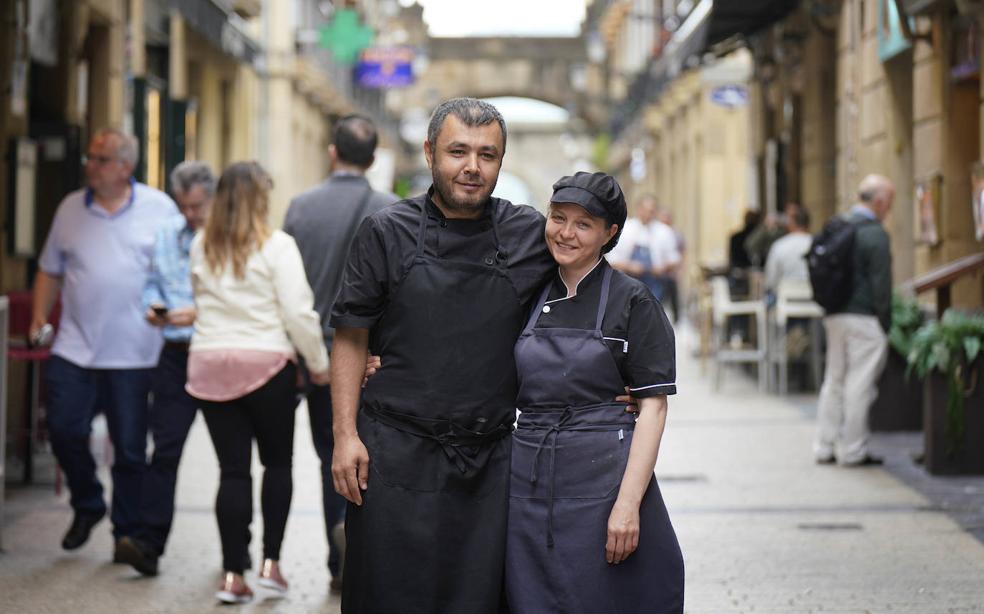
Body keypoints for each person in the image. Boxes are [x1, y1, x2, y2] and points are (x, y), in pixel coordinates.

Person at [329, 97, 555, 614]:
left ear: (502, 161)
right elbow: (349, 335)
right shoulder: (385, 231)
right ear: (430, 153)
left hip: (489, 464)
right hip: (392, 457)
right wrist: (344, 436)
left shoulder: (529, 235)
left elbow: (593, 291)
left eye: (487, 154)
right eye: (458, 151)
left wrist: (629, 378)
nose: (472, 167)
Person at [506, 172, 684, 613]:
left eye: (584, 224)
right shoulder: (525, 293)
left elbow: (653, 409)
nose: (566, 233)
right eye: (559, 218)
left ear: (611, 234)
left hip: (604, 482)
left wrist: (627, 506)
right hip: (527, 480)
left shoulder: (634, 301)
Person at [185, 161, 330, 604]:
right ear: (260, 198)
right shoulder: (277, 247)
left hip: (210, 364)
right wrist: (318, 363)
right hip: (267, 366)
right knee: (277, 465)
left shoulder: (199, 246)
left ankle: (232, 575)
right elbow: (298, 314)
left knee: (232, 472)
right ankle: (271, 565)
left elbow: (199, 302)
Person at [30, 128, 179, 556]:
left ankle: (125, 534)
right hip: (74, 345)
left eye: (99, 159)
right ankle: (88, 501)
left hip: (135, 352)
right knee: (63, 428)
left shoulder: (160, 209)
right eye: (90, 158)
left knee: (130, 449)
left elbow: (177, 271)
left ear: (124, 167)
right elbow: (49, 269)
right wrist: (41, 315)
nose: (89, 166)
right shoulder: (70, 208)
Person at [283, 114, 397, 591]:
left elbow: (290, 290)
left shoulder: (300, 208)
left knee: (331, 452)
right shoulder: (393, 210)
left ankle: (337, 557)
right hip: (374, 360)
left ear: (333, 153)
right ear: (372, 160)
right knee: (376, 456)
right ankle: (368, 555)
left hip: (318, 360)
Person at [115, 161, 216, 576]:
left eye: (197, 206)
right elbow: (152, 283)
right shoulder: (167, 233)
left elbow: (238, 295)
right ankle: (148, 545)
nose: (190, 215)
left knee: (232, 458)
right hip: (175, 357)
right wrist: (154, 309)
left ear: (212, 198)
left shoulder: (228, 236)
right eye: (184, 206)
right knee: (166, 451)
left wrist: (195, 313)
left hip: (216, 351)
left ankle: (238, 553)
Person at [814, 174, 894, 466]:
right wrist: (885, 323)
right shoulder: (875, 234)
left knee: (834, 379)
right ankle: (853, 450)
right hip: (864, 319)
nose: (889, 209)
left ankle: (824, 445)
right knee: (859, 384)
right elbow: (882, 287)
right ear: (880, 201)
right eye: (890, 203)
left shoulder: (839, 225)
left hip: (834, 315)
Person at [607, 195, 679, 300]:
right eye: (646, 210)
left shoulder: (664, 232)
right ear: (638, 209)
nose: (649, 214)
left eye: (652, 211)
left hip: (655, 286)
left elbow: (674, 259)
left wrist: (662, 268)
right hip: (626, 285)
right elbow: (611, 260)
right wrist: (629, 266)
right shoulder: (625, 229)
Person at [763, 205, 812, 303]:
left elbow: (770, 279)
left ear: (791, 223)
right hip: (813, 299)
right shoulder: (817, 244)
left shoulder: (779, 246)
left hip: (786, 302)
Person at [656, 208, 685, 323]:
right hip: (657, 274)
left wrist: (679, 269)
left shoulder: (675, 234)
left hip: (670, 273)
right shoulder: (656, 233)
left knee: (673, 300)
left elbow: (682, 252)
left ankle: (675, 321)